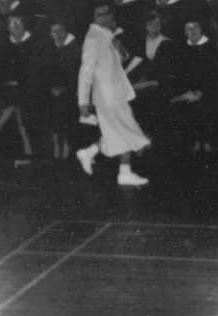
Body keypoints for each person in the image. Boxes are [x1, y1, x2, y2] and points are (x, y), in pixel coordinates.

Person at [75, 1, 150, 185]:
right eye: (99, 15)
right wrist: (83, 101)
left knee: (119, 132)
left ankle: (93, 154)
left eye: (105, 13)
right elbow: (86, 72)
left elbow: (119, 61)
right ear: (92, 18)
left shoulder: (106, 34)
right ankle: (121, 171)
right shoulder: (92, 38)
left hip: (117, 93)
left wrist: (119, 49)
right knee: (126, 131)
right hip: (107, 97)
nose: (104, 17)